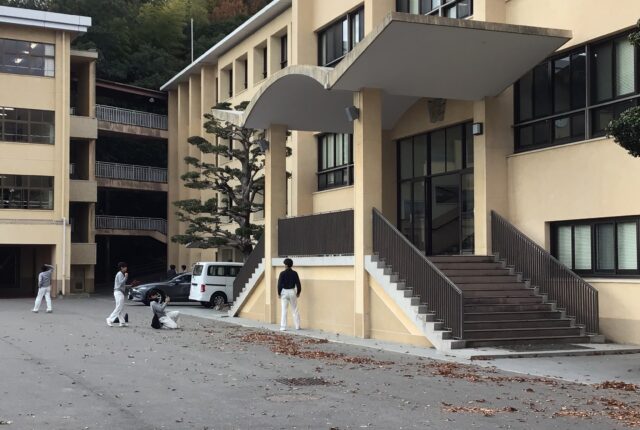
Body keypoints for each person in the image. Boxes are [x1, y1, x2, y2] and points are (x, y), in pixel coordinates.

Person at [277, 258, 301, 331]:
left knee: (284, 310)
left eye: (284, 264)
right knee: (295, 309)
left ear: (286, 265)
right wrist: (298, 292)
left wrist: (279, 293)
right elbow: (298, 284)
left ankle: (283, 327)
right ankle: (297, 326)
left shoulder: (282, 273)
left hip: (284, 292)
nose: (284, 265)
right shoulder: (295, 273)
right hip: (292, 291)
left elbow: (279, 284)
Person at [107, 262, 128, 327]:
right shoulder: (120, 274)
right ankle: (110, 319)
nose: (126, 268)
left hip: (118, 292)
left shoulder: (120, 274)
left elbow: (121, 284)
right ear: (122, 267)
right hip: (119, 292)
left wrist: (129, 286)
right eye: (125, 267)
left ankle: (122, 322)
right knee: (119, 307)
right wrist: (126, 277)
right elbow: (121, 283)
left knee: (120, 307)